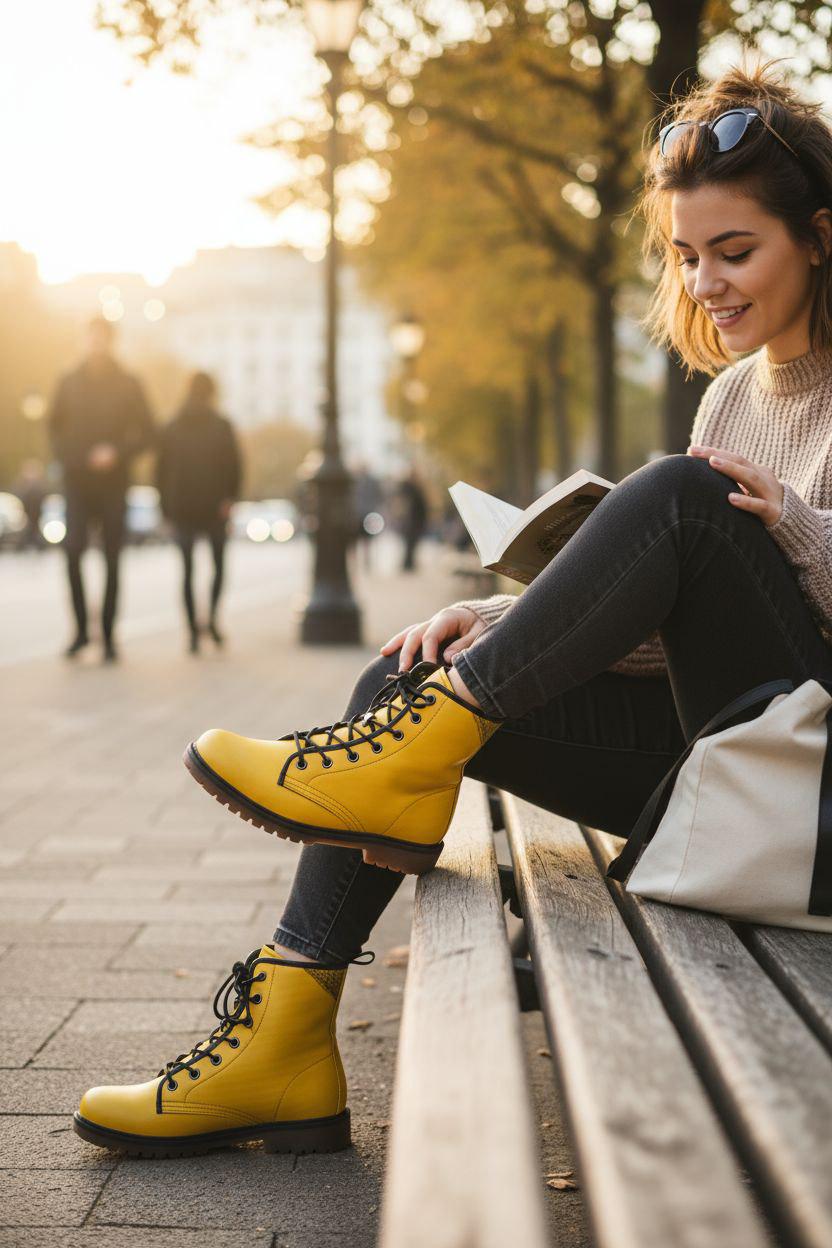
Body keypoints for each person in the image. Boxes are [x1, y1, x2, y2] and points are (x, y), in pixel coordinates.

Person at [75, 62, 832, 1157]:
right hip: (725, 767)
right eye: (685, 256)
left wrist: (797, 529)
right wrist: (502, 624)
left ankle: (406, 758)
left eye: (734, 252)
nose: (706, 283)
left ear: (816, 235)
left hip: (806, 807)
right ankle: (280, 1044)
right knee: (406, 679)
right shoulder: (732, 391)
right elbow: (691, 635)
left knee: (680, 498)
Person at [49, 316, 154, 662]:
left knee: (112, 556)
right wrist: (75, 457)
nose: (96, 344)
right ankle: (80, 630)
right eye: (91, 337)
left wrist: (117, 453)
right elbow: (53, 429)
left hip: (113, 483)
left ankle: (108, 635)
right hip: (78, 481)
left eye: (102, 338)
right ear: (85, 339)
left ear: (110, 341)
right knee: (73, 550)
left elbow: (149, 432)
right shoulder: (68, 381)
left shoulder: (128, 382)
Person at [157, 372, 242, 653]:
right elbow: (235, 465)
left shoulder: (172, 426)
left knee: (187, 571)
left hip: (182, 507)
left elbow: (160, 470)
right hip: (215, 506)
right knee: (218, 567)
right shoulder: (222, 425)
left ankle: (193, 631)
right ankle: (212, 621)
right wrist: (230, 498)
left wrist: (165, 509)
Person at [394, 467, 429, 571]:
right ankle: (407, 564)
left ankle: (408, 563)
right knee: (409, 543)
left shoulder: (413, 488)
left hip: (415, 520)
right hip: (411, 521)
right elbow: (404, 505)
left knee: (411, 544)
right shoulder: (408, 488)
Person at [12, 459, 47, 551]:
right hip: (28, 512)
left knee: (33, 530)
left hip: (36, 512)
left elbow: (43, 497)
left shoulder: (39, 485)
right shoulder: (23, 485)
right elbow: (20, 497)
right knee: (29, 530)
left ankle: (37, 546)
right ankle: (23, 546)